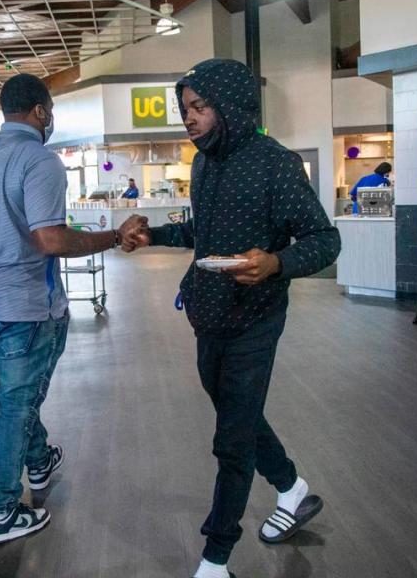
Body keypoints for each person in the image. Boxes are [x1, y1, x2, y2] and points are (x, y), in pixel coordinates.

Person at [123, 59, 341, 578]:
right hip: (208, 314)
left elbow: (325, 240)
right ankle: (291, 488)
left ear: (231, 106)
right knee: (236, 414)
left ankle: (215, 560)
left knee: (232, 439)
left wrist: (277, 263)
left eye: (199, 107)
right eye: (185, 109)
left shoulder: (276, 163)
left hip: (255, 318)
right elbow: (204, 232)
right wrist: (156, 233)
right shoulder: (204, 164)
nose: (189, 118)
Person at [0, 73, 146, 545]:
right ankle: (1, 510)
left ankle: (40, 460)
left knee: (17, 392)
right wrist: (113, 236)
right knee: (18, 403)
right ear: (42, 112)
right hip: (25, 304)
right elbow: (50, 238)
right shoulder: (41, 162)